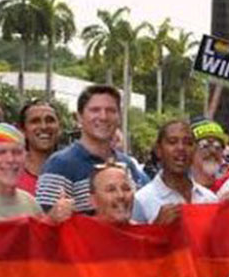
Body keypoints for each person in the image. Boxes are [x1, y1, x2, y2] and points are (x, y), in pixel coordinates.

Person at [35, 85, 149, 214]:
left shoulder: (127, 165)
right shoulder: (59, 165)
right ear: (79, 117)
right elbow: (43, 224)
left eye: (111, 110)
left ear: (119, 117)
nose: (103, 117)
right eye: (95, 110)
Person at [132, 121, 217, 225]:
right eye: (172, 142)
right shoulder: (142, 201)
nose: (181, 148)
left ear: (194, 150)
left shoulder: (209, 199)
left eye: (188, 143)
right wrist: (156, 228)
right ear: (158, 150)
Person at [17, 99, 63, 193]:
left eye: (50, 120)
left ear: (60, 128)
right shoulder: (11, 170)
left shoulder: (75, 169)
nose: (43, 127)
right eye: (35, 121)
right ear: (23, 130)